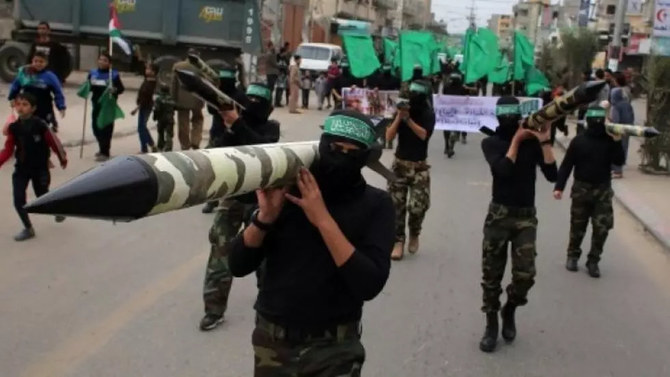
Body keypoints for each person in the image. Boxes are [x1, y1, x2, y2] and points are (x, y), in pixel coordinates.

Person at [228, 109, 394, 376]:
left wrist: (322, 219)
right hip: (272, 344)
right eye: (334, 147)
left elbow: (369, 283)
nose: (340, 157)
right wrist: (265, 219)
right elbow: (237, 264)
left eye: (352, 152)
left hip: (335, 349)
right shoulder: (288, 191)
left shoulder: (376, 205)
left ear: (365, 157)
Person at [478, 96, 557, 353]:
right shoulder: (491, 142)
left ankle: (509, 308)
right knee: (492, 275)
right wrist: (516, 141)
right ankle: (491, 322)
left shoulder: (532, 143)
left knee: (526, 275)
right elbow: (503, 170)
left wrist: (544, 140)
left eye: (514, 116)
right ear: (499, 116)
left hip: (525, 217)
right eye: (506, 115)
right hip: (499, 215)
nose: (511, 120)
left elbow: (552, 174)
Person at [199, 83, 280, 331]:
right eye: (250, 100)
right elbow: (216, 155)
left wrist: (238, 125)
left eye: (259, 101)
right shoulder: (234, 128)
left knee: (265, 259)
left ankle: (269, 308)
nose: (253, 106)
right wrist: (229, 128)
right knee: (220, 256)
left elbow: (262, 150)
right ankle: (214, 309)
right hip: (233, 198)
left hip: (261, 201)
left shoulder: (271, 129)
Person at [553, 105, 624, 278]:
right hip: (581, 190)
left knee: (602, 228)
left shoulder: (609, 141)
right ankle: (572, 255)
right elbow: (567, 165)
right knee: (578, 225)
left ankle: (594, 260)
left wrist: (617, 141)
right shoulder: (579, 141)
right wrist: (559, 187)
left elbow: (619, 160)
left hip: (602, 191)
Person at [0, 93, 67, 241]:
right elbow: (8, 149)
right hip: (22, 169)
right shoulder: (14, 128)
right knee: (18, 200)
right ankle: (28, 228)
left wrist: (62, 158)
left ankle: (57, 210)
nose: (21, 108)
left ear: (33, 108)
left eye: (25, 105)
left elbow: (54, 142)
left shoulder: (40, 125)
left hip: (40, 168)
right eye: (18, 104)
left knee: (42, 196)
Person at [385, 80, 435, 260]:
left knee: (418, 207)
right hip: (400, 165)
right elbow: (389, 136)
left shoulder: (428, 113)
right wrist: (399, 117)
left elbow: (423, 135)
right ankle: (398, 241)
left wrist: (409, 120)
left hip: (419, 167)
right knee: (395, 207)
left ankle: (415, 231)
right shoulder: (400, 111)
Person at [202, 64, 248, 214]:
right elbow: (210, 109)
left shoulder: (240, 95)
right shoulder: (217, 93)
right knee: (212, 169)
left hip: (233, 136)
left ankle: (230, 198)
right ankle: (212, 200)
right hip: (216, 135)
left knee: (231, 169)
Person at [8, 51, 66, 133]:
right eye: (36, 61)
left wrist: (61, 106)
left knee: (43, 128)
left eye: (41, 61)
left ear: (46, 63)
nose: (38, 64)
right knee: (26, 127)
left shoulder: (50, 76)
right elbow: (15, 86)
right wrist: (12, 98)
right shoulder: (25, 74)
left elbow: (58, 92)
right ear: (32, 61)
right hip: (27, 105)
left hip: (44, 107)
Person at [86, 52, 125, 161]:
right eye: (101, 59)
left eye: (105, 60)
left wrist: (114, 90)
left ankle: (105, 152)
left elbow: (121, 89)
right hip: (96, 104)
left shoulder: (114, 75)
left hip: (108, 106)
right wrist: (86, 88)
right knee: (95, 127)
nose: (102, 62)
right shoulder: (92, 73)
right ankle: (101, 147)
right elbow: (88, 86)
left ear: (109, 63)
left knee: (106, 129)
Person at [171, 49, 205, 150]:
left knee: (183, 123)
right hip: (197, 100)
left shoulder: (178, 66)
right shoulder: (202, 69)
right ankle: (196, 141)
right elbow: (205, 85)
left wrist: (173, 99)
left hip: (182, 101)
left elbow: (173, 85)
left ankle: (185, 145)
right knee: (198, 120)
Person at [131, 63, 158, 153]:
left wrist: (136, 108)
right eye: (146, 69)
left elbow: (146, 98)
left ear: (154, 72)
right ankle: (150, 145)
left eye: (149, 69)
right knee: (142, 127)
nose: (146, 70)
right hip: (144, 106)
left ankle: (145, 147)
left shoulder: (151, 83)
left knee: (141, 128)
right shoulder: (147, 80)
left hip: (145, 107)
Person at [609, 83, 634, 179]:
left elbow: (615, 120)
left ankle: (617, 170)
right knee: (624, 148)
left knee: (616, 150)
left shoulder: (616, 106)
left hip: (619, 130)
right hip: (628, 129)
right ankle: (620, 166)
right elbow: (632, 116)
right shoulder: (627, 104)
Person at [441, 72, 468, 158]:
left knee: (446, 129)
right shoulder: (462, 88)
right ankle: (451, 147)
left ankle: (446, 145)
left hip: (447, 111)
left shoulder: (446, 87)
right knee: (456, 130)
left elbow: (443, 96)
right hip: (458, 112)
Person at [153, 84, 175, 152]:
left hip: (161, 119)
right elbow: (175, 107)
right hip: (170, 119)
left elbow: (156, 109)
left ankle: (160, 145)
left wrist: (155, 117)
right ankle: (169, 147)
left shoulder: (159, 99)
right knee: (169, 133)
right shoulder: (172, 99)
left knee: (160, 132)